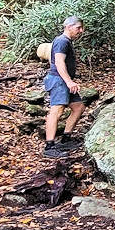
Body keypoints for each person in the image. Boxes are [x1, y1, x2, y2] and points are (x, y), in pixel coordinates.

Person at [42, 16, 86, 158]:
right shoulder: (62, 41)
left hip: (63, 80)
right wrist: (69, 82)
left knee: (78, 107)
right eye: (78, 27)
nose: (81, 31)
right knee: (57, 110)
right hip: (59, 81)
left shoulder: (66, 41)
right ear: (68, 26)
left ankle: (66, 139)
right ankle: (49, 147)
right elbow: (59, 63)